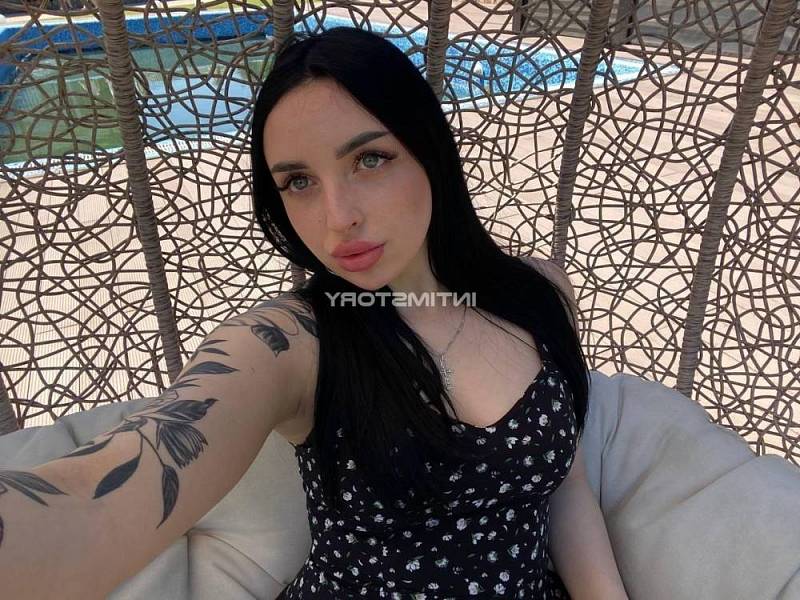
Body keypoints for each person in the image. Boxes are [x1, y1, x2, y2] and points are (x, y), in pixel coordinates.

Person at [0, 26, 627, 600]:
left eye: (369, 159)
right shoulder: (289, 343)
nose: (337, 217)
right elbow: (105, 495)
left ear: (429, 151)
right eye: (299, 182)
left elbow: (565, 485)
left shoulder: (537, 293)